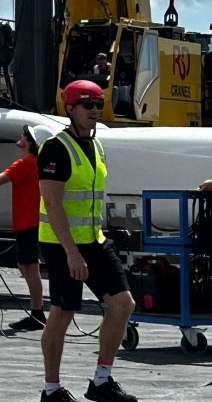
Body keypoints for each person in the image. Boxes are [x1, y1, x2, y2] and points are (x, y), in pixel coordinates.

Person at [37, 79, 137, 402]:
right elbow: (52, 205)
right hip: (60, 243)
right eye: (87, 104)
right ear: (69, 108)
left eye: (98, 104)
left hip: (93, 240)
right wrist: (71, 253)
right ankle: (51, 389)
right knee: (63, 313)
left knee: (123, 304)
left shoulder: (97, 146)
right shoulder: (54, 149)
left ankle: (101, 381)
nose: (95, 110)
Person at [0, 124, 56, 331]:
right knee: (27, 266)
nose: (21, 137)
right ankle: (37, 311)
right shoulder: (39, 164)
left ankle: (37, 312)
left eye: (24, 136)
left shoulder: (23, 164)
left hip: (27, 223)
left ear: (30, 143)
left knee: (30, 268)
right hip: (33, 222)